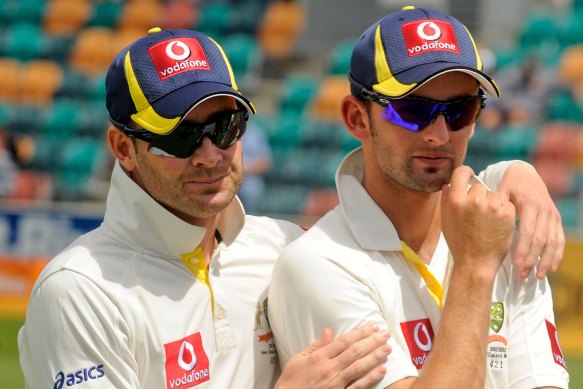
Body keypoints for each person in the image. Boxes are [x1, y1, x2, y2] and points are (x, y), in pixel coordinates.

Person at [17, 27, 392, 389]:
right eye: (181, 137)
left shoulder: (285, 247)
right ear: (122, 148)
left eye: (226, 126)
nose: (210, 155)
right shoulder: (78, 289)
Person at [268, 6, 569, 389]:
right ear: (357, 118)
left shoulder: (504, 227)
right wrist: (475, 270)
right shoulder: (318, 263)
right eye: (413, 110)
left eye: (461, 110)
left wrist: (515, 171)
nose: (439, 135)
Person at [239, 121, 272, 213]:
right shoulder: (227, 130)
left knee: (251, 191)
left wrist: (244, 168)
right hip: (229, 176)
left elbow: (266, 163)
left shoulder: (256, 133)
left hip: (250, 181)